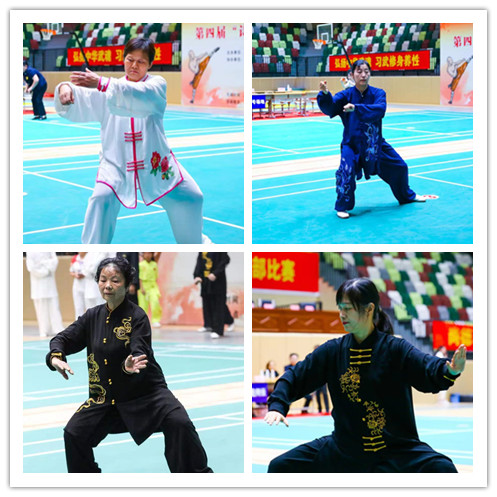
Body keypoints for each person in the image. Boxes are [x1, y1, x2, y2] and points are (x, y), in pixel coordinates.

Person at [265, 277, 467, 473]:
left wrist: (450, 370)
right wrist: (277, 405)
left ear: (369, 309)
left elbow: (426, 366)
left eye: (347, 308)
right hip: (344, 450)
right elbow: (295, 376)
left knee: (443, 469)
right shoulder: (333, 351)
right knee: (280, 466)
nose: (341, 315)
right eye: (340, 308)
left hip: (395, 450)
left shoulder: (395, 349)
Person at [46, 256, 212, 473]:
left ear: (127, 285)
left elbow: (139, 348)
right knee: (74, 434)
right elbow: (63, 339)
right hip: (105, 397)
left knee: (179, 423)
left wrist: (129, 365)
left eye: (115, 280)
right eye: (103, 280)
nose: (107, 285)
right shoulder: (92, 317)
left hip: (146, 394)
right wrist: (55, 358)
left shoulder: (137, 316)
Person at [54, 37, 211, 244]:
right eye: (130, 60)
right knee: (101, 199)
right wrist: (65, 89)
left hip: (157, 164)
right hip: (115, 163)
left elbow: (140, 95)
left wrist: (102, 83)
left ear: (150, 64)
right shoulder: (108, 88)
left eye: (141, 61)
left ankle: (197, 244)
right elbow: (82, 95)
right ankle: (93, 253)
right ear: (123, 59)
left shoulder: (156, 85)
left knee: (193, 197)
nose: (134, 65)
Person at [317, 59, 426, 219]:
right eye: (359, 71)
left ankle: (406, 196)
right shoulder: (345, 95)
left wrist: (356, 108)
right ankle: (342, 206)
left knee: (400, 167)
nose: (363, 75)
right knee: (346, 172)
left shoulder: (378, 93)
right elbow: (330, 108)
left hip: (374, 144)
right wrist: (325, 95)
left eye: (366, 71)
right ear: (352, 75)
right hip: (351, 144)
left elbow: (379, 110)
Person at [26, 252, 64, 337]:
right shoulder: (30, 252)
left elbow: (54, 261)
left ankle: (58, 329)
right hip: (38, 287)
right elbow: (31, 267)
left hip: (50, 285)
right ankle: (44, 330)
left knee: (54, 307)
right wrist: (45, 270)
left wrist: (43, 263)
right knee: (41, 309)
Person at [194, 252, 230, 339]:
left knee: (218, 306)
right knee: (206, 303)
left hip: (217, 281)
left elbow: (225, 260)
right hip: (205, 280)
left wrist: (215, 273)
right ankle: (208, 325)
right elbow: (199, 262)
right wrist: (197, 275)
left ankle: (218, 330)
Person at [138, 252, 162, 328]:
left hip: (153, 286)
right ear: (143, 255)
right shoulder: (141, 265)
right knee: (143, 305)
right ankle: (143, 321)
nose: (148, 255)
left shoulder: (154, 264)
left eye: (149, 253)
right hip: (144, 286)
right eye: (146, 253)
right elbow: (140, 278)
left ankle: (155, 320)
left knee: (155, 303)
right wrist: (141, 288)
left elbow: (156, 276)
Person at [69, 252, 87, 320]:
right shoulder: (74, 258)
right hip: (77, 286)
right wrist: (75, 275)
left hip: (86, 285)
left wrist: (84, 274)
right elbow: (71, 271)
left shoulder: (90, 257)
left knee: (89, 306)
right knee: (78, 307)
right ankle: (78, 324)